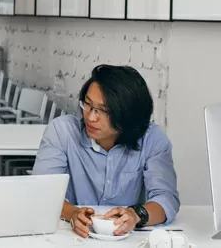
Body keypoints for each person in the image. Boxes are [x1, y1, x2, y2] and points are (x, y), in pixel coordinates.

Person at [32, 64, 180, 238]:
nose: (90, 117)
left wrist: (136, 215)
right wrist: (72, 213)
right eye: (87, 104)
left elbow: (166, 199)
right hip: (71, 238)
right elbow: (41, 192)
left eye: (103, 111)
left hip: (128, 240)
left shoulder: (152, 139)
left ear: (128, 116)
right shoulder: (62, 132)